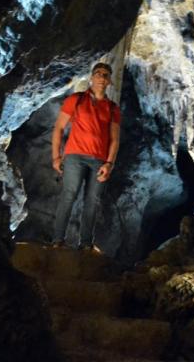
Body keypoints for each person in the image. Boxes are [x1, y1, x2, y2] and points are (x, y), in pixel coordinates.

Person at [50, 62, 121, 250]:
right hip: (74, 156)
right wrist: (56, 157)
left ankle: (86, 244)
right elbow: (58, 128)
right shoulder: (77, 99)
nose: (101, 77)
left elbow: (114, 139)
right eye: (98, 73)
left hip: (98, 160)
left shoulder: (113, 108)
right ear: (91, 77)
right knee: (69, 195)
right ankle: (57, 240)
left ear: (109, 81)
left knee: (92, 201)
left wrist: (109, 163)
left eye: (105, 75)